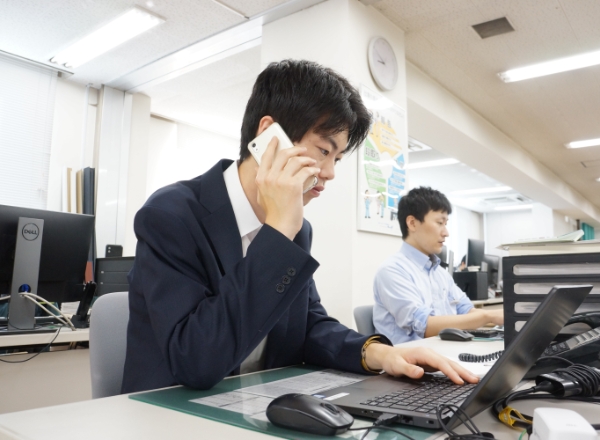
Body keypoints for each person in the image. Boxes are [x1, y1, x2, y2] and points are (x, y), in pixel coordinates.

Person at [121, 61, 477, 394]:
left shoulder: (297, 229)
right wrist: (277, 233)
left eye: (337, 158)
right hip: (170, 412)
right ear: (268, 136)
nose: (331, 172)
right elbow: (195, 359)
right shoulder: (172, 215)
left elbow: (309, 326)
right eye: (324, 151)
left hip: (255, 403)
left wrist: (380, 354)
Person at [373, 187, 504, 344]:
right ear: (412, 223)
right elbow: (425, 326)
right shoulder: (392, 271)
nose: (446, 232)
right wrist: (488, 316)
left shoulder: (440, 273)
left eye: (446, 224)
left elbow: (467, 311)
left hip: (446, 353)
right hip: (412, 364)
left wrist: (505, 317)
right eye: (440, 223)